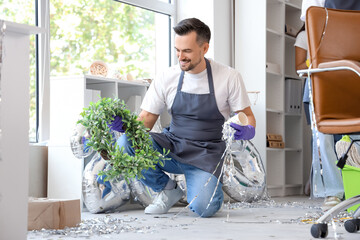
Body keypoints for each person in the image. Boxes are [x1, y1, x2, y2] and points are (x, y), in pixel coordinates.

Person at [116, 18, 256, 217]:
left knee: (204, 209)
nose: (180, 57)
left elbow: (248, 116)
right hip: (171, 147)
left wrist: (249, 129)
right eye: (177, 50)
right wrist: (126, 127)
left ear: (204, 48)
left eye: (187, 51)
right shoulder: (167, 77)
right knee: (125, 143)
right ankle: (168, 190)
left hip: (206, 154)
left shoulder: (228, 77)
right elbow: (146, 118)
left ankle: (203, 188)